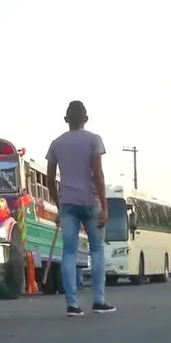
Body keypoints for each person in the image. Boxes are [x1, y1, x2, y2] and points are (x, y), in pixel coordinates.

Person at [45, 101, 116, 316]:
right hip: (90, 201)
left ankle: (72, 305)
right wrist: (104, 206)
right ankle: (99, 300)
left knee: (68, 251)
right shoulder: (94, 140)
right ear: (86, 119)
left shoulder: (56, 144)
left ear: (66, 120)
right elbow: (97, 174)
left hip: (67, 203)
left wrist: (59, 204)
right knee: (97, 250)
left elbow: (49, 179)